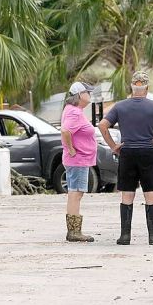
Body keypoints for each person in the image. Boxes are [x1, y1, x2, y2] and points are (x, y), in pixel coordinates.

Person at [98, 71, 153, 245]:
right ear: (147, 88)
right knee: (150, 193)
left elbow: (102, 124)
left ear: (132, 87)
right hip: (148, 152)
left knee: (127, 194)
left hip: (127, 152)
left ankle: (125, 236)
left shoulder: (120, 106)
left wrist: (113, 146)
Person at [61, 81, 97, 242]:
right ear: (79, 95)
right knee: (76, 193)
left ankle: (73, 231)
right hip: (78, 159)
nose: (89, 94)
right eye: (87, 92)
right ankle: (74, 232)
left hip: (79, 159)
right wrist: (71, 148)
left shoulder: (74, 111)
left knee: (74, 193)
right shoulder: (74, 112)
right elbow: (65, 131)